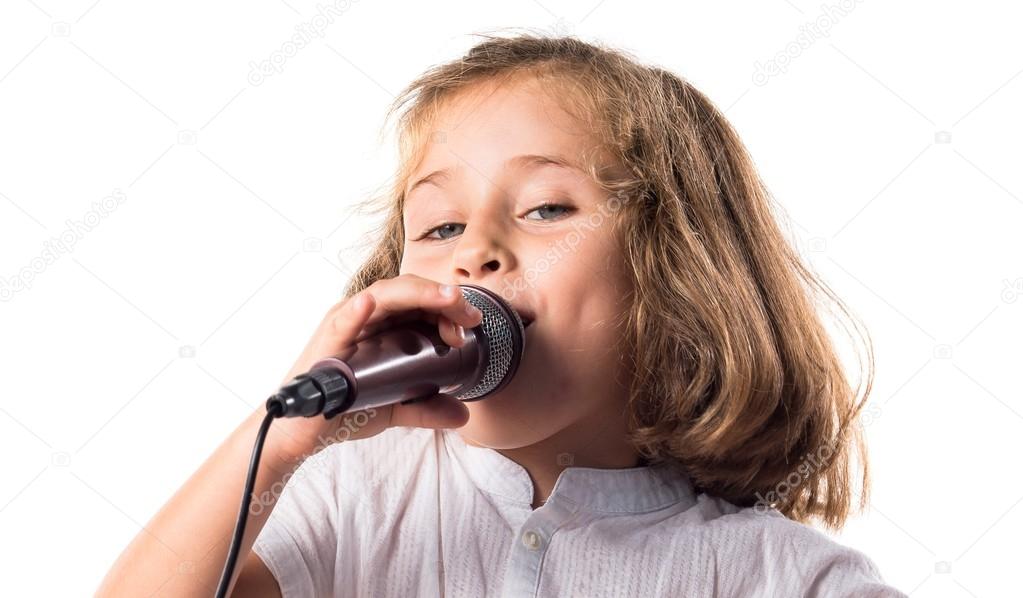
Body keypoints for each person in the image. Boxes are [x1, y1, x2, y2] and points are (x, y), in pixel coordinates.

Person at [97, 32, 905, 597]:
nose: (472, 250)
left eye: (547, 208)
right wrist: (277, 444)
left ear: (677, 270)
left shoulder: (783, 577)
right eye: (440, 226)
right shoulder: (349, 501)